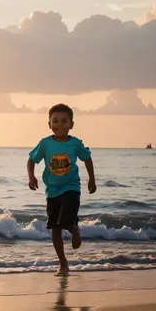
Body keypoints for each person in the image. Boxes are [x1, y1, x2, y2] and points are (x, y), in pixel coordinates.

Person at [27, 104, 96, 276]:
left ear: (71, 124)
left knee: (65, 222)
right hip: (52, 191)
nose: (60, 125)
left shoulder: (75, 143)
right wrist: (31, 177)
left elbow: (87, 158)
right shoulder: (45, 144)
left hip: (71, 187)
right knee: (55, 227)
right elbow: (31, 160)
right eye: (55, 121)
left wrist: (92, 179)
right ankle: (63, 263)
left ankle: (75, 230)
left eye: (64, 121)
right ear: (49, 124)